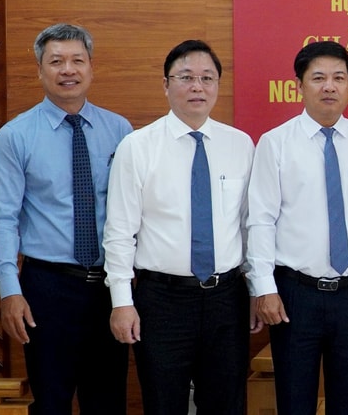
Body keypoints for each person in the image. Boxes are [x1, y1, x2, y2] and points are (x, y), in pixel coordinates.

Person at [246, 40, 348, 415]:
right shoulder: (276, 143)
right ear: (300, 85)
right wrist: (264, 288)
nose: (328, 86)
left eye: (338, 77)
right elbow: (261, 219)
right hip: (294, 295)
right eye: (318, 78)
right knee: (294, 401)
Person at [103, 40, 256, 415]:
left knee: (226, 404)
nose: (197, 87)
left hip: (226, 298)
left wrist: (255, 291)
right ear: (166, 84)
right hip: (162, 301)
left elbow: (250, 226)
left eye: (207, 78)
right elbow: (120, 231)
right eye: (186, 77)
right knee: (163, 402)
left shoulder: (240, 145)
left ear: (218, 85)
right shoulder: (137, 147)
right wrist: (122, 302)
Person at [0, 23, 132, 415]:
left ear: (91, 67)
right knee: (51, 401)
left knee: (108, 402)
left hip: (108, 288)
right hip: (47, 288)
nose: (67, 69)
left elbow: (133, 212)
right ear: (40, 70)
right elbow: (3, 220)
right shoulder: (15, 136)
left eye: (76, 60)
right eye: (56, 61)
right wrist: (9, 290)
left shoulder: (120, 131)